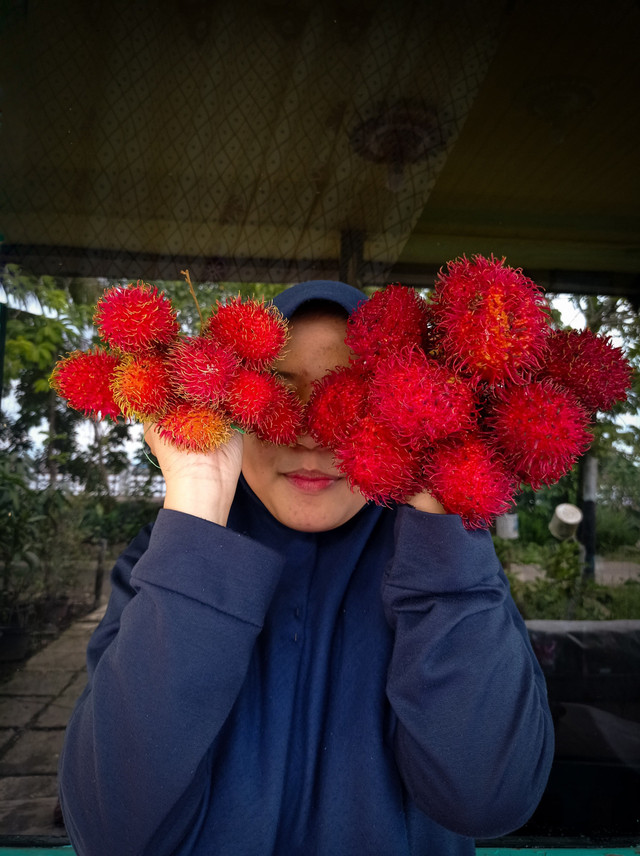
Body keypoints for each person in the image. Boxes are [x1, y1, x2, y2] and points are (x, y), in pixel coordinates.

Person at [58, 280, 555, 856]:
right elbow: (106, 831)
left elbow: (489, 800)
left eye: (350, 399)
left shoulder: (449, 568)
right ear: (229, 405)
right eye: (276, 395)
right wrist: (197, 496)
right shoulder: (165, 559)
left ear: (395, 407)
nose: (310, 432)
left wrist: (442, 529)